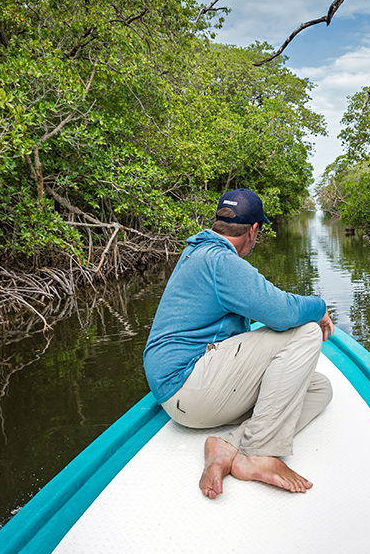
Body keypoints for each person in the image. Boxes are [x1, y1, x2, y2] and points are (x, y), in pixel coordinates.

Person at [143, 188, 334, 499]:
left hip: (184, 391)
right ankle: (258, 453)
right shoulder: (221, 262)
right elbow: (283, 313)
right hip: (189, 387)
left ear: (219, 221)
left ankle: (228, 446)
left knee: (319, 388)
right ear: (254, 230)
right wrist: (320, 306)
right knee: (307, 332)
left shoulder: (196, 250)